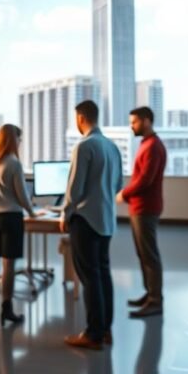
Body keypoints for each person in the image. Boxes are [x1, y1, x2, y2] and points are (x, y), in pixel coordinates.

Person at [60, 100, 123, 350]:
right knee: (102, 274)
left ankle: (93, 334)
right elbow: (118, 185)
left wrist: (65, 214)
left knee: (89, 277)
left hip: (85, 221)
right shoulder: (111, 146)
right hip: (106, 219)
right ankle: (105, 329)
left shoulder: (84, 146)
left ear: (80, 118)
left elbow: (75, 189)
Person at [0, 124, 40, 328]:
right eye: (19, 139)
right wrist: (32, 213)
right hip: (10, 218)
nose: (20, 143)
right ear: (13, 140)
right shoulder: (13, 163)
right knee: (8, 265)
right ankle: (6, 309)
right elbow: (22, 196)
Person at [118, 106, 167, 318]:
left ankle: (155, 301)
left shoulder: (153, 146)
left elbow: (145, 180)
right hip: (139, 207)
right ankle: (150, 295)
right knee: (144, 254)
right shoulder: (146, 144)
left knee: (149, 255)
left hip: (145, 208)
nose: (131, 126)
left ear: (146, 121)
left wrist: (124, 194)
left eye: (134, 122)